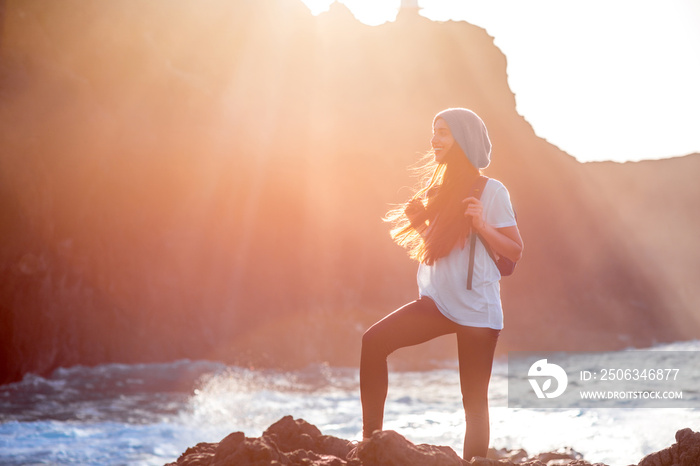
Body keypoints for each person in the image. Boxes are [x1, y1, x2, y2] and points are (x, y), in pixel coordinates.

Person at [359, 108, 523, 460]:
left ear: (462, 139)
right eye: (434, 131)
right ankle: (370, 446)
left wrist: (482, 225)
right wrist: (420, 224)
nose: (434, 139)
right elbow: (439, 252)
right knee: (373, 343)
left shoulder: (492, 191)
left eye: (443, 132)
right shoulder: (437, 190)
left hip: (478, 310)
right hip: (436, 304)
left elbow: (515, 251)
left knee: (474, 404)